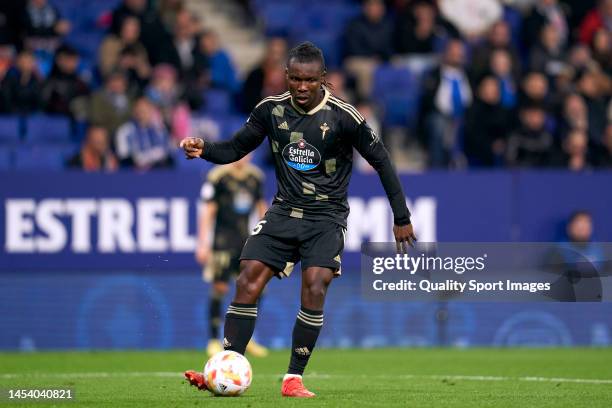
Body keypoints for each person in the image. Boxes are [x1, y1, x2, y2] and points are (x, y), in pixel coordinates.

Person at [181, 42, 416, 398]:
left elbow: (382, 160)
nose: (302, 87)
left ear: (323, 78)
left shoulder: (343, 116)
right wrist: (205, 150)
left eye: (309, 80)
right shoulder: (270, 111)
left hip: (326, 217)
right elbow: (235, 148)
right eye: (295, 79)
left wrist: (401, 216)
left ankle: (293, 378)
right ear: (285, 76)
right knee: (247, 278)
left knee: (316, 285)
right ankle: (224, 369)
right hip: (283, 211)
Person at [196, 156, 268, 357]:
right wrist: (203, 242)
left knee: (255, 289)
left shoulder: (255, 177)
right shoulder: (218, 176)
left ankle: (247, 338)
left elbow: (263, 209)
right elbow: (209, 210)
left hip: (246, 242)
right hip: (222, 242)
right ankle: (212, 340)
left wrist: (268, 238)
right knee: (219, 288)